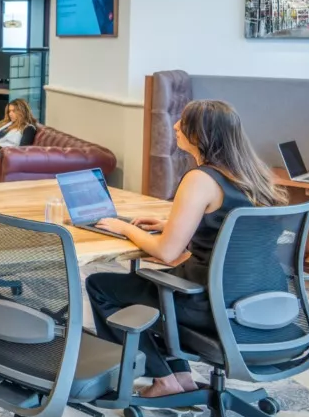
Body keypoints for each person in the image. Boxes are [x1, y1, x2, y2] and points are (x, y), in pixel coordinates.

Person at [85, 100, 286, 399]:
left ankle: (164, 378)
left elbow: (166, 253)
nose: (176, 126)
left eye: (183, 121)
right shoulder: (256, 176)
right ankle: (181, 376)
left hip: (207, 303)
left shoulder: (201, 179)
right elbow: (231, 227)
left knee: (101, 286)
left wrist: (125, 227)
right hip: (257, 300)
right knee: (150, 289)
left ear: (201, 133)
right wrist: (172, 222)